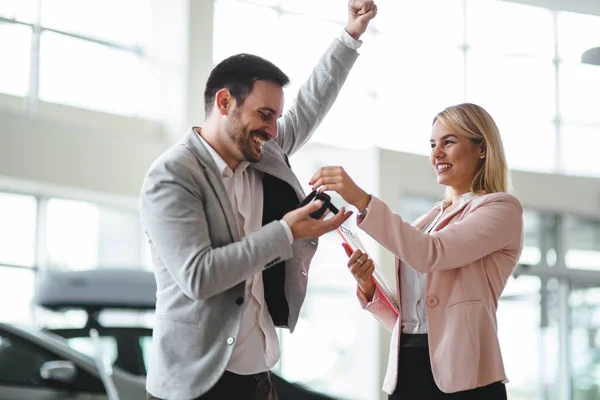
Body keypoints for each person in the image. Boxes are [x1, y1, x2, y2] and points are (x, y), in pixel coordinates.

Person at [138, 1, 377, 399]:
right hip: (195, 387)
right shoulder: (173, 176)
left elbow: (309, 106)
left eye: (275, 118)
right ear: (224, 102)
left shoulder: (260, 149)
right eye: (264, 114)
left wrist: (350, 35)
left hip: (259, 380)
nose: (272, 128)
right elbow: (199, 276)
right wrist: (286, 232)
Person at [310, 103, 523, 400]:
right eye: (433, 144)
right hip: (407, 373)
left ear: (482, 149)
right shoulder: (429, 220)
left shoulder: (501, 209)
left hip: (466, 381)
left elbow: (431, 253)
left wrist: (362, 200)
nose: (436, 154)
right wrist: (368, 285)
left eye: (448, 142)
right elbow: (409, 316)